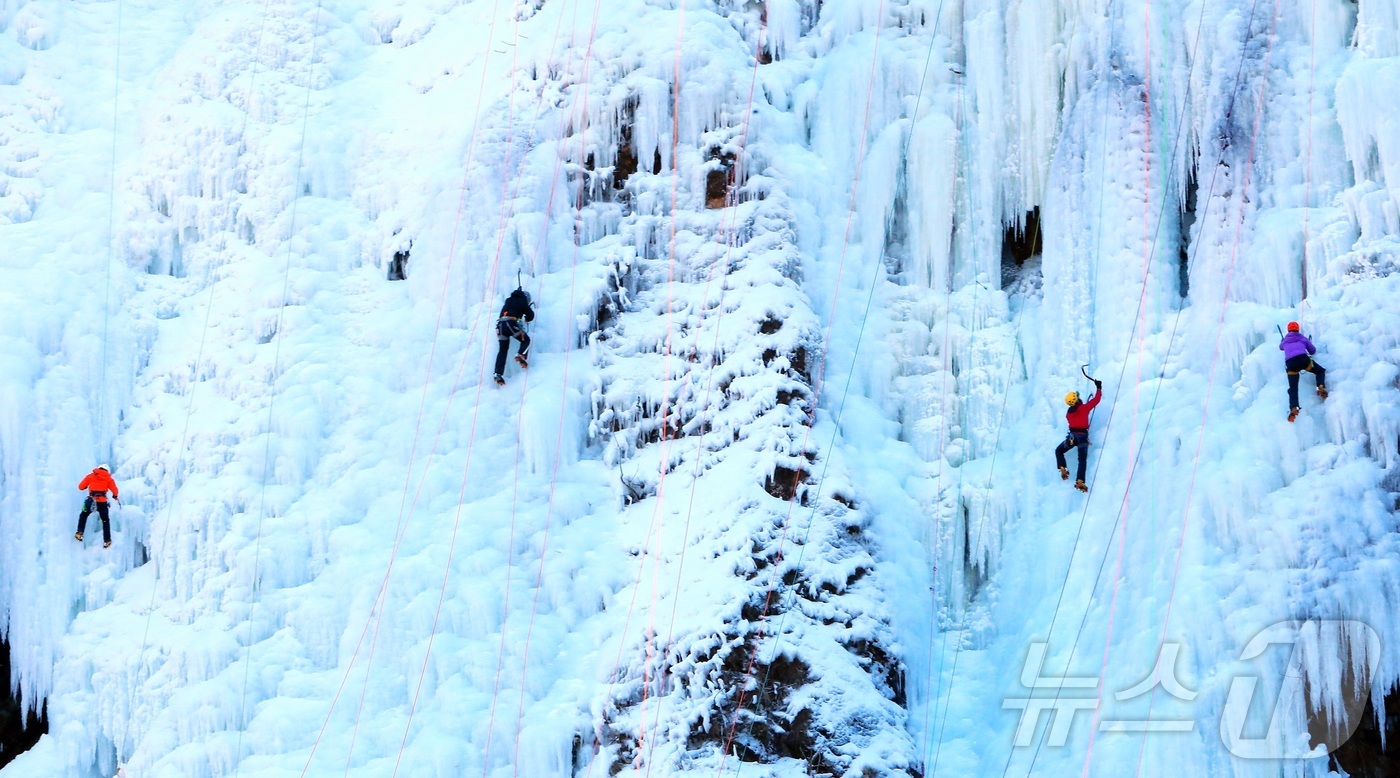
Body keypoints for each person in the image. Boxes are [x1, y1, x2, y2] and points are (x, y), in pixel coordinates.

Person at [1055, 380, 1103, 493]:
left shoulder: (1069, 414)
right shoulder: (1083, 408)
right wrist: (1099, 388)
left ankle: (1063, 467)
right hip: (1082, 437)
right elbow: (1096, 400)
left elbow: (1076, 407)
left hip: (1071, 438)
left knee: (1059, 451)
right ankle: (1080, 481)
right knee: (1082, 461)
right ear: (1076, 400)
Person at [1280, 321, 1327, 422]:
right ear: (1298, 329)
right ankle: (1320, 386)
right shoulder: (1302, 338)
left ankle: (1294, 407)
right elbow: (1313, 350)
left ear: (1288, 330)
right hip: (1303, 360)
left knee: (1293, 388)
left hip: (1291, 364)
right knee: (1320, 371)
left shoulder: (1285, 341)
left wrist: (1283, 341)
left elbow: (1280, 347)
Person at [493, 287, 535, 385]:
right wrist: (527, 318)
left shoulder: (509, 300)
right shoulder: (522, 301)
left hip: (500, 326)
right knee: (526, 340)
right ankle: (521, 355)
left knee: (503, 350)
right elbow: (530, 315)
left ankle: (498, 373)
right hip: (511, 323)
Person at [76, 464, 119, 548]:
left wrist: (86, 487)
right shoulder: (109, 479)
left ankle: (79, 533)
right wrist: (115, 496)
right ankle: (107, 540)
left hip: (91, 501)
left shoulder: (91, 476)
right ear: (107, 471)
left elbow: (80, 487)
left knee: (83, 515)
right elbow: (115, 490)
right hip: (102, 502)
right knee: (105, 520)